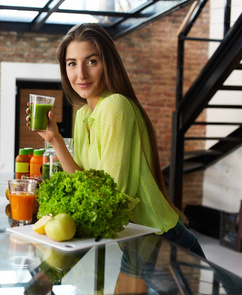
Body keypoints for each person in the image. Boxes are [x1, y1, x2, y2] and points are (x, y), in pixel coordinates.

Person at [28, 23, 205, 256]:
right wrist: (55, 141)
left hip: (161, 239)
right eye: (72, 64)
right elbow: (84, 183)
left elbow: (111, 197)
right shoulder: (82, 115)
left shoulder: (115, 105)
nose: (81, 74)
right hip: (133, 236)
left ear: (107, 63)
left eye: (92, 61)